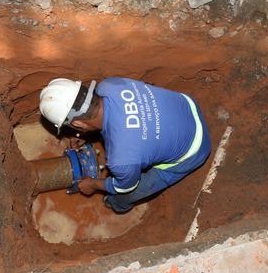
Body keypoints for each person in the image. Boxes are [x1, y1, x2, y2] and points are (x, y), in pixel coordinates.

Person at [39, 77, 211, 213]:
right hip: (186, 106)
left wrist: (92, 184)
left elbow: (124, 186)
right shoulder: (110, 85)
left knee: (124, 195)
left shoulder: (121, 161)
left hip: (194, 148)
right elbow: (117, 115)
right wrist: (88, 134)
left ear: (78, 125)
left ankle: (116, 205)